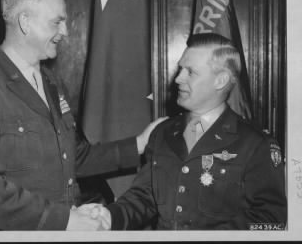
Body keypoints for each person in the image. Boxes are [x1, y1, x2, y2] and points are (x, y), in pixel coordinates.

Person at [0, 0, 165, 231]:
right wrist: (64, 220)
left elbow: (74, 157)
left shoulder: (51, 82)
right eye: (57, 22)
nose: (65, 32)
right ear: (25, 22)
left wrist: (139, 144)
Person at [91, 33, 287, 230]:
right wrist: (110, 217)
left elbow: (270, 217)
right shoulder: (163, 132)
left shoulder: (255, 143)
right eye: (180, 69)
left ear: (220, 81)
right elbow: (146, 196)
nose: (178, 79)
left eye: (190, 72)